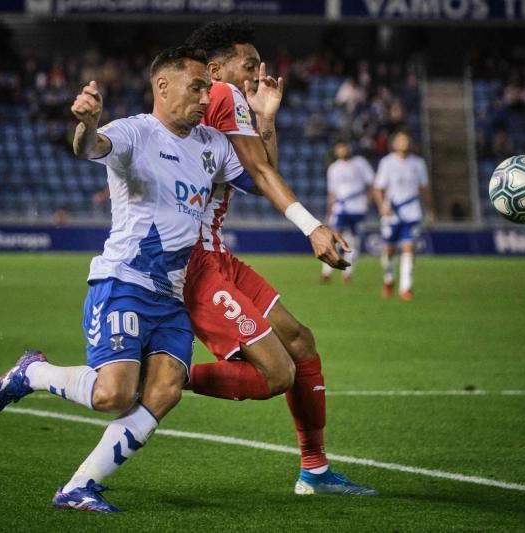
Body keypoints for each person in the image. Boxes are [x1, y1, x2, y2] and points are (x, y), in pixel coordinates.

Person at [0, 46, 250, 513]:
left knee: (164, 392)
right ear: (162, 87)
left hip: (171, 297)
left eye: (209, 88)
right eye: (197, 86)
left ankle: (79, 486)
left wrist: (263, 118)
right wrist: (86, 123)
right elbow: (89, 148)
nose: (207, 96)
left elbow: (262, 174)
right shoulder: (135, 133)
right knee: (114, 396)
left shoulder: (213, 144)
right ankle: (32, 372)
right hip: (123, 281)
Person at [184, 20, 376, 496]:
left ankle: (315, 469)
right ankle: (166, 374)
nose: (257, 72)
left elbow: (257, 174)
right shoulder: (223, 95)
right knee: (278, 372)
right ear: (216, 68)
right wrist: (313, 227)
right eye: (249, 64)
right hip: (194, 262)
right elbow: (260, 171)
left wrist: (266, 117)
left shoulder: (223, 105)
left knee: (300, 341)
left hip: (215, 255)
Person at [372, 130, 432, 300]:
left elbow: (424, 189)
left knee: (409, 248)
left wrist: (430, 210)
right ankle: (389, 279)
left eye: (406, 139)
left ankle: (406, 287)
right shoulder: (387, 163)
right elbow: (378, 188)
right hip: (393, 213)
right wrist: (382, 206)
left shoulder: (418, 163)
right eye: (401, 140)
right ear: (395, 144)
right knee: (389, 251)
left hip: (412, 212)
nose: (404, 143)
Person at [320, 141, 375, 284]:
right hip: (340, 209)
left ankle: (348, 273)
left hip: (357, 210)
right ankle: (327, 271)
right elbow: (332, 193)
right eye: (339, 148)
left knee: (353, 242)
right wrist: (329, 212)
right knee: (333, 239)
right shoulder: (334, 168)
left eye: (344, 147)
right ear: (336, 151)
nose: (342, 150)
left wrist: (367, 202)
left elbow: (372, 184)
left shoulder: (360, 163)